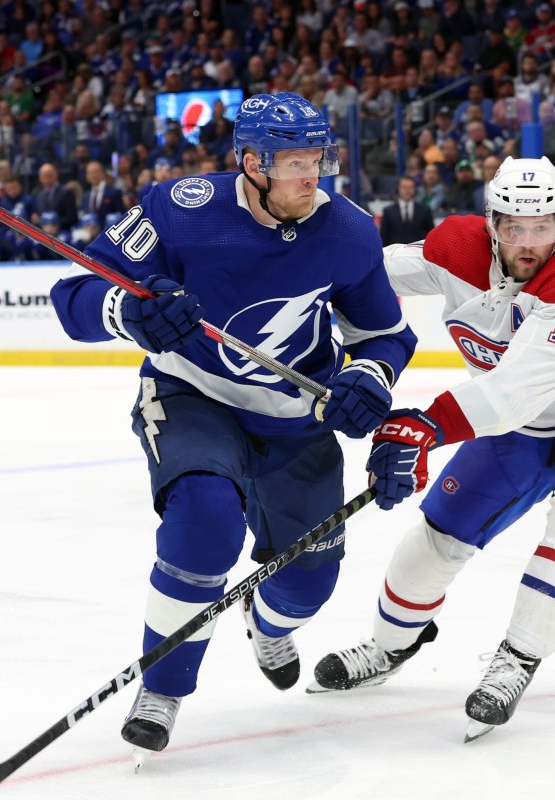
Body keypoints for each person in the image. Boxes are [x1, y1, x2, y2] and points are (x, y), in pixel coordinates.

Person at [48, 93, 417, 758]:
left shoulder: (350, 232)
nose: (312, 177)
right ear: (252, 163)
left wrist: (369, 376)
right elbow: (75, 296)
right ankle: (162, 688)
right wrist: (131, 313)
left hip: (295, 418)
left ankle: (267, 623)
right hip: (193, 394)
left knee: (307, 584)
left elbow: (385, 336)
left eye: (318, 160)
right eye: (295, 163)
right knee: (205, 518)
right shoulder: (181, 210)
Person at [308, 156, 555, 743]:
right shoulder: (457, 247)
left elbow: (512, 394)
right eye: (513, 227)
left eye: (542, 227)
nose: (528, 243)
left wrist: (425, 426)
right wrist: (294, 278)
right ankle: (389, 645)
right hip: (522, 429)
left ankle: (518, 658)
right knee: (436, 538)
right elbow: (371, 271)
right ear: (491, 222)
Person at [380, 175, 435, 246]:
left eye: (410, 187)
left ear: (415, 189)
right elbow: (384, 237)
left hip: (418, 251)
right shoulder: (388, 211)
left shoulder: (425, 210)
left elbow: (431, 235)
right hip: (395, 251)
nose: (407, 190)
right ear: (398, 189)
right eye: (404, 187)